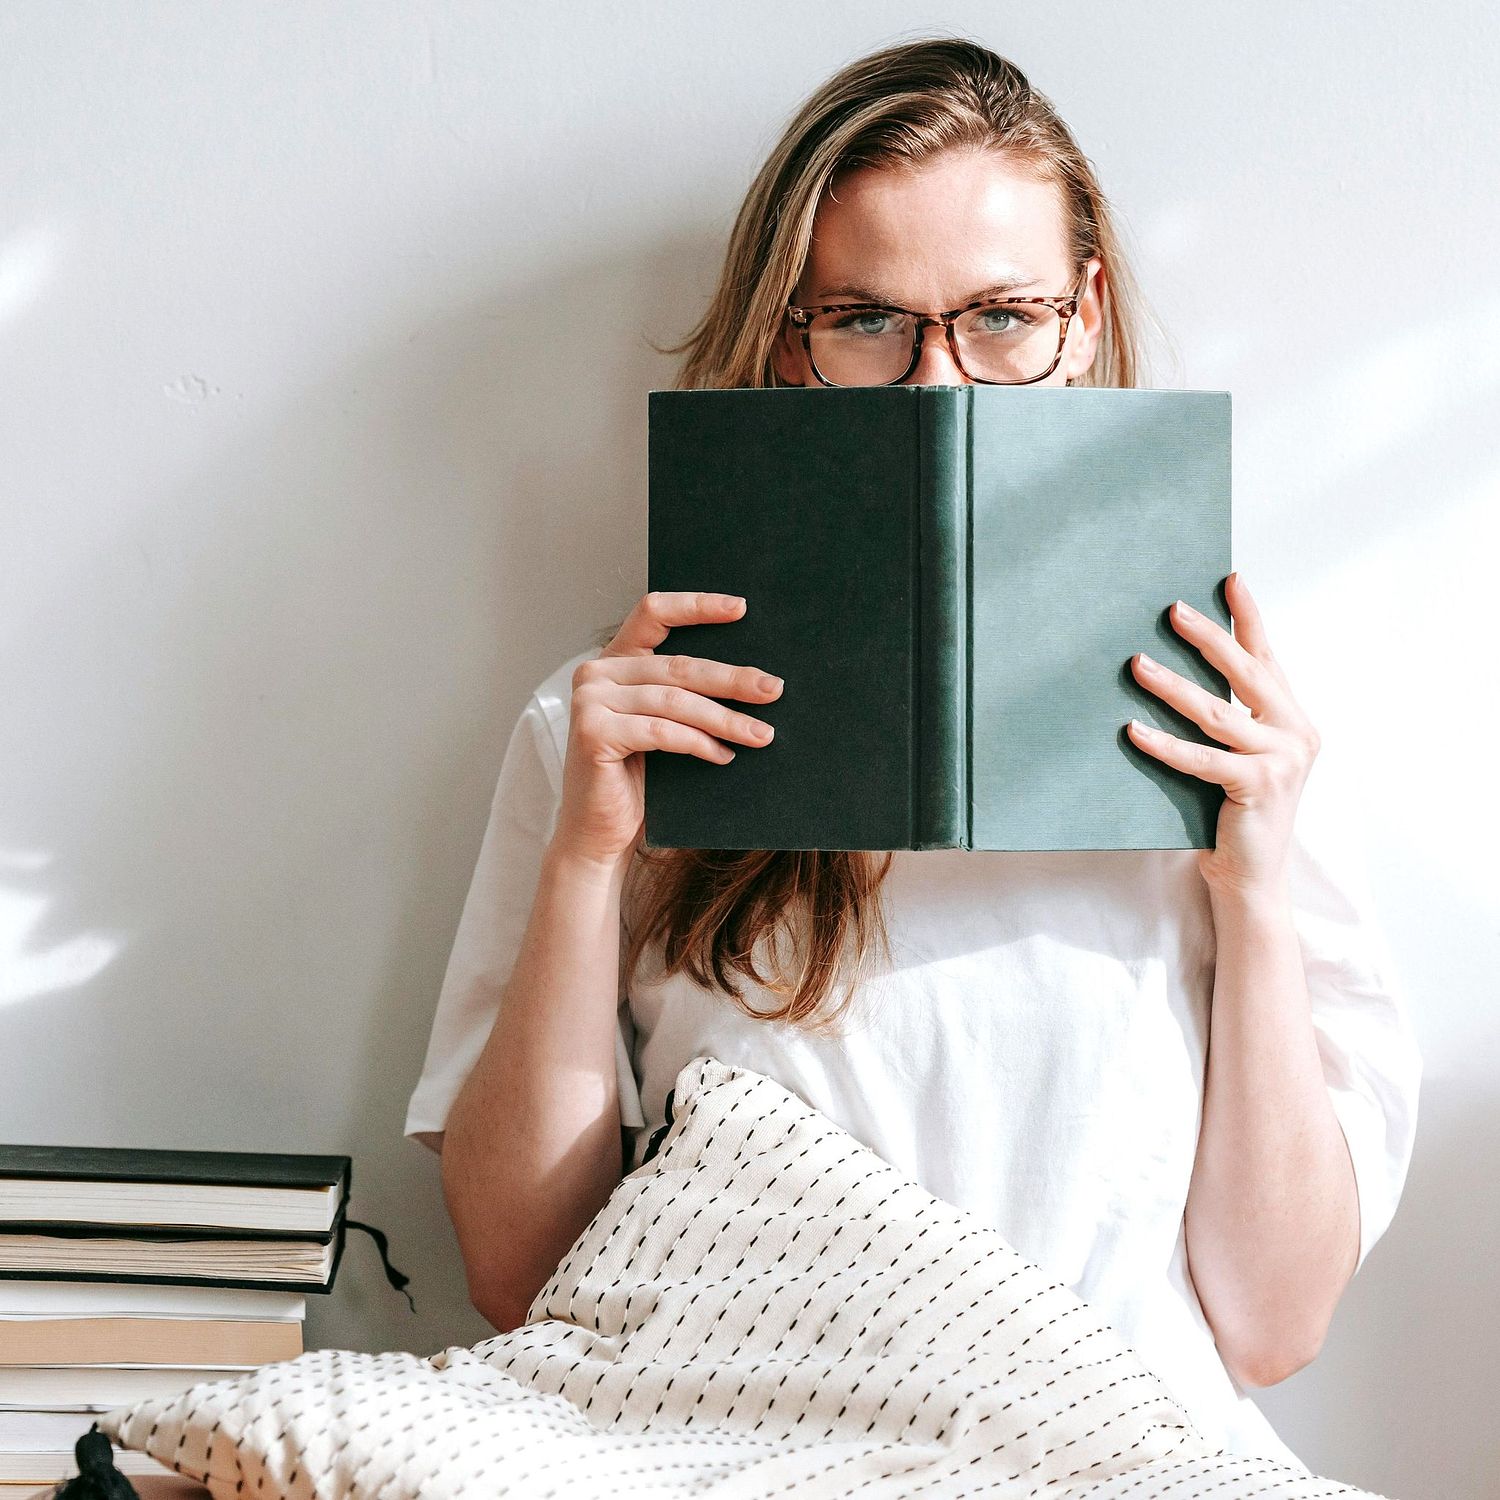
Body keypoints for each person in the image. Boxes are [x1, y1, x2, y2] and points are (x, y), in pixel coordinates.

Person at [404, 37, 1421, 1468]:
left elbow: (1274, 1321)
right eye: (869, 322)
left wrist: (1250, 887)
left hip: (1121, 1460)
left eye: (1002, 316)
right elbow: (520, 1280)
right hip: (734, 1456)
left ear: (1085, 318)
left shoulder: (1241, 733)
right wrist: (588, 856)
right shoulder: (610, 729)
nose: (940, 385)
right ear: (787, 342)